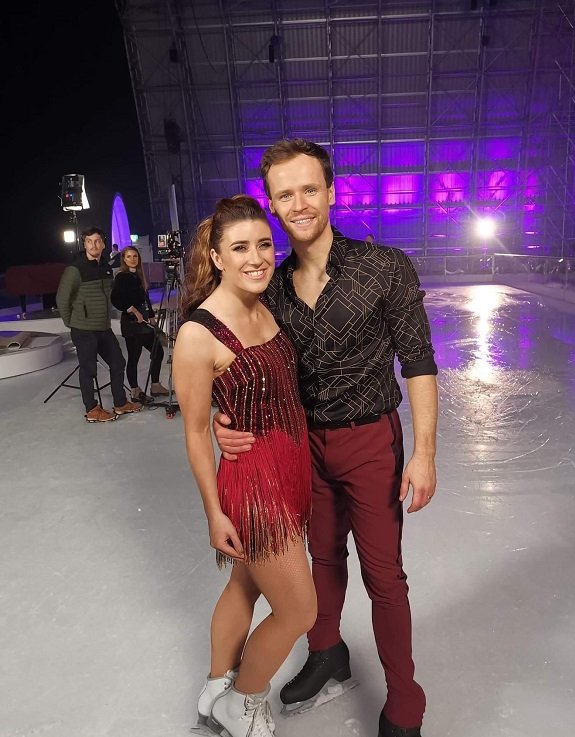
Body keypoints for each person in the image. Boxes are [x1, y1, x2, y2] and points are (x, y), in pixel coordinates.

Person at [214, 140, 438, 737]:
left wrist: (423, 452)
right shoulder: (273, 286)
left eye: (308, 188)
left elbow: (418, 361)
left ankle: (404, 701)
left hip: (371, 442)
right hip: (301, 446)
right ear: (274, 205)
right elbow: (246, 362)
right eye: (284, 194)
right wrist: (223, 418)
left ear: (331, 192)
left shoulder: (385, 267)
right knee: (322, 560)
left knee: (385, 577)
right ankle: (327, 653)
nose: (299, 202)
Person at [172, 195, 317, 737]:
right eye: (240, 248)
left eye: (263, 245)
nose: (256, 258)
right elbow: (192, 430)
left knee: (244, 586)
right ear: (215, 257)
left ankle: (215, 687)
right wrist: (214, 512)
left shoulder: (264, 304)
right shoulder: (198, 334)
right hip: (255, 484)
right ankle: (244, 700)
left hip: (290, 467)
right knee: (299, 611)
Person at [56, 227, 142, 422]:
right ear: (84, 243)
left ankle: (120, 403)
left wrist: (128, 308)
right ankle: (92, 409)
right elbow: (62, 298)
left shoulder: (104, 265)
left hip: (103, 328)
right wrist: (72, 322)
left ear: (103, 244)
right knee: (88, 369)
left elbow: (110, 295)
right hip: (84, 329)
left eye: (97, 241)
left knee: (118, 362)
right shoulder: (75, 268)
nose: (94, 245)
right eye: (89, 241)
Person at [110, 246, 169, 403]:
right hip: (132, 324)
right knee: (134, 358)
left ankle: (155, 386)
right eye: (128, 256)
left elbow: (144, 298)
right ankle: (135, 391)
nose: (132, 259)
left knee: (158, 352)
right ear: (123, 259)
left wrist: (150, 316)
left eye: (135, 256)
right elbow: (116, 299)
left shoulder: (137, 275)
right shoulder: (122, 277)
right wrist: (133, 310)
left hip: (144, 323)